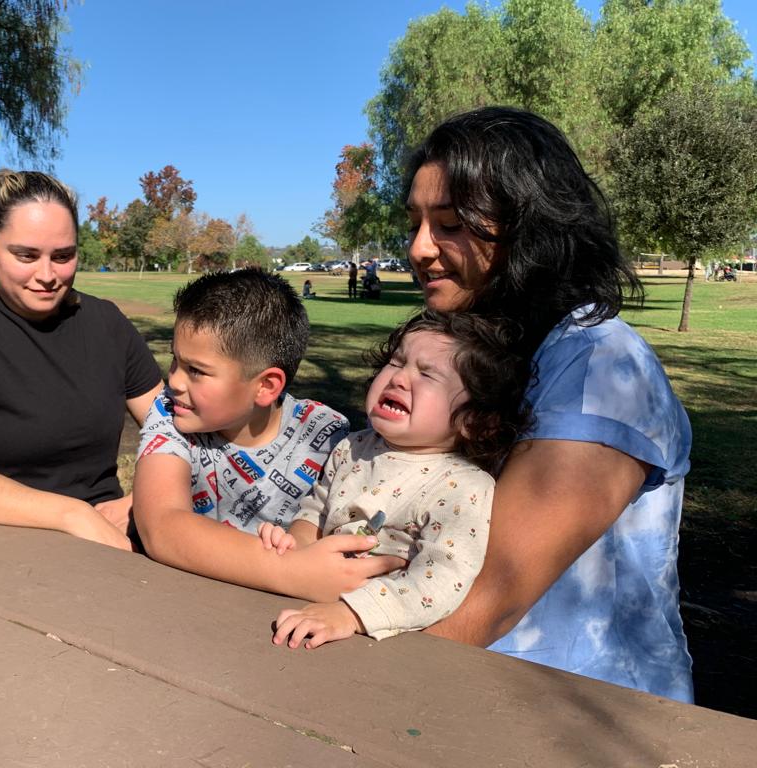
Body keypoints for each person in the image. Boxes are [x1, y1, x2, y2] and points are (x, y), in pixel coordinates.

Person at [395, 106, 693, 702]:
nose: (419, 248)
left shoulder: (597, 363)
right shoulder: (479, 349)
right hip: (476, 696)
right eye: (416, 222)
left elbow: (493, 596)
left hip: (582, 715)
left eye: (450, 223)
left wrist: (347, 688)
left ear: (529, 224)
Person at [0, 169, 163, 551]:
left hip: (111, 544)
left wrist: (142, 503)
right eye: (26, 255)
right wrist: (72, 514)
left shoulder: (107, 324)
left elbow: (177, 435)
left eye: (63, 256)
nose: (47, 275)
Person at [261, 311, 531, 649]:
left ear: (474, 421)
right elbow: (316, 509)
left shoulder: (462, 486)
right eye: (396, 361)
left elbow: (442, 580)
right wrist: (296, 547)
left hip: (379, 637)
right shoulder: (353, 447)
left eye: (427, 374)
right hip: (310, 607)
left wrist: (352, 615)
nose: (399, 378)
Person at [135, 269, 403, 592]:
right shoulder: (170, 414)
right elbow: (162, 528)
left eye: (196, 371)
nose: (175, 381)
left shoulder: (324, 433)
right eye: (175, 360)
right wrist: (291, 571)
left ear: (266, 386)